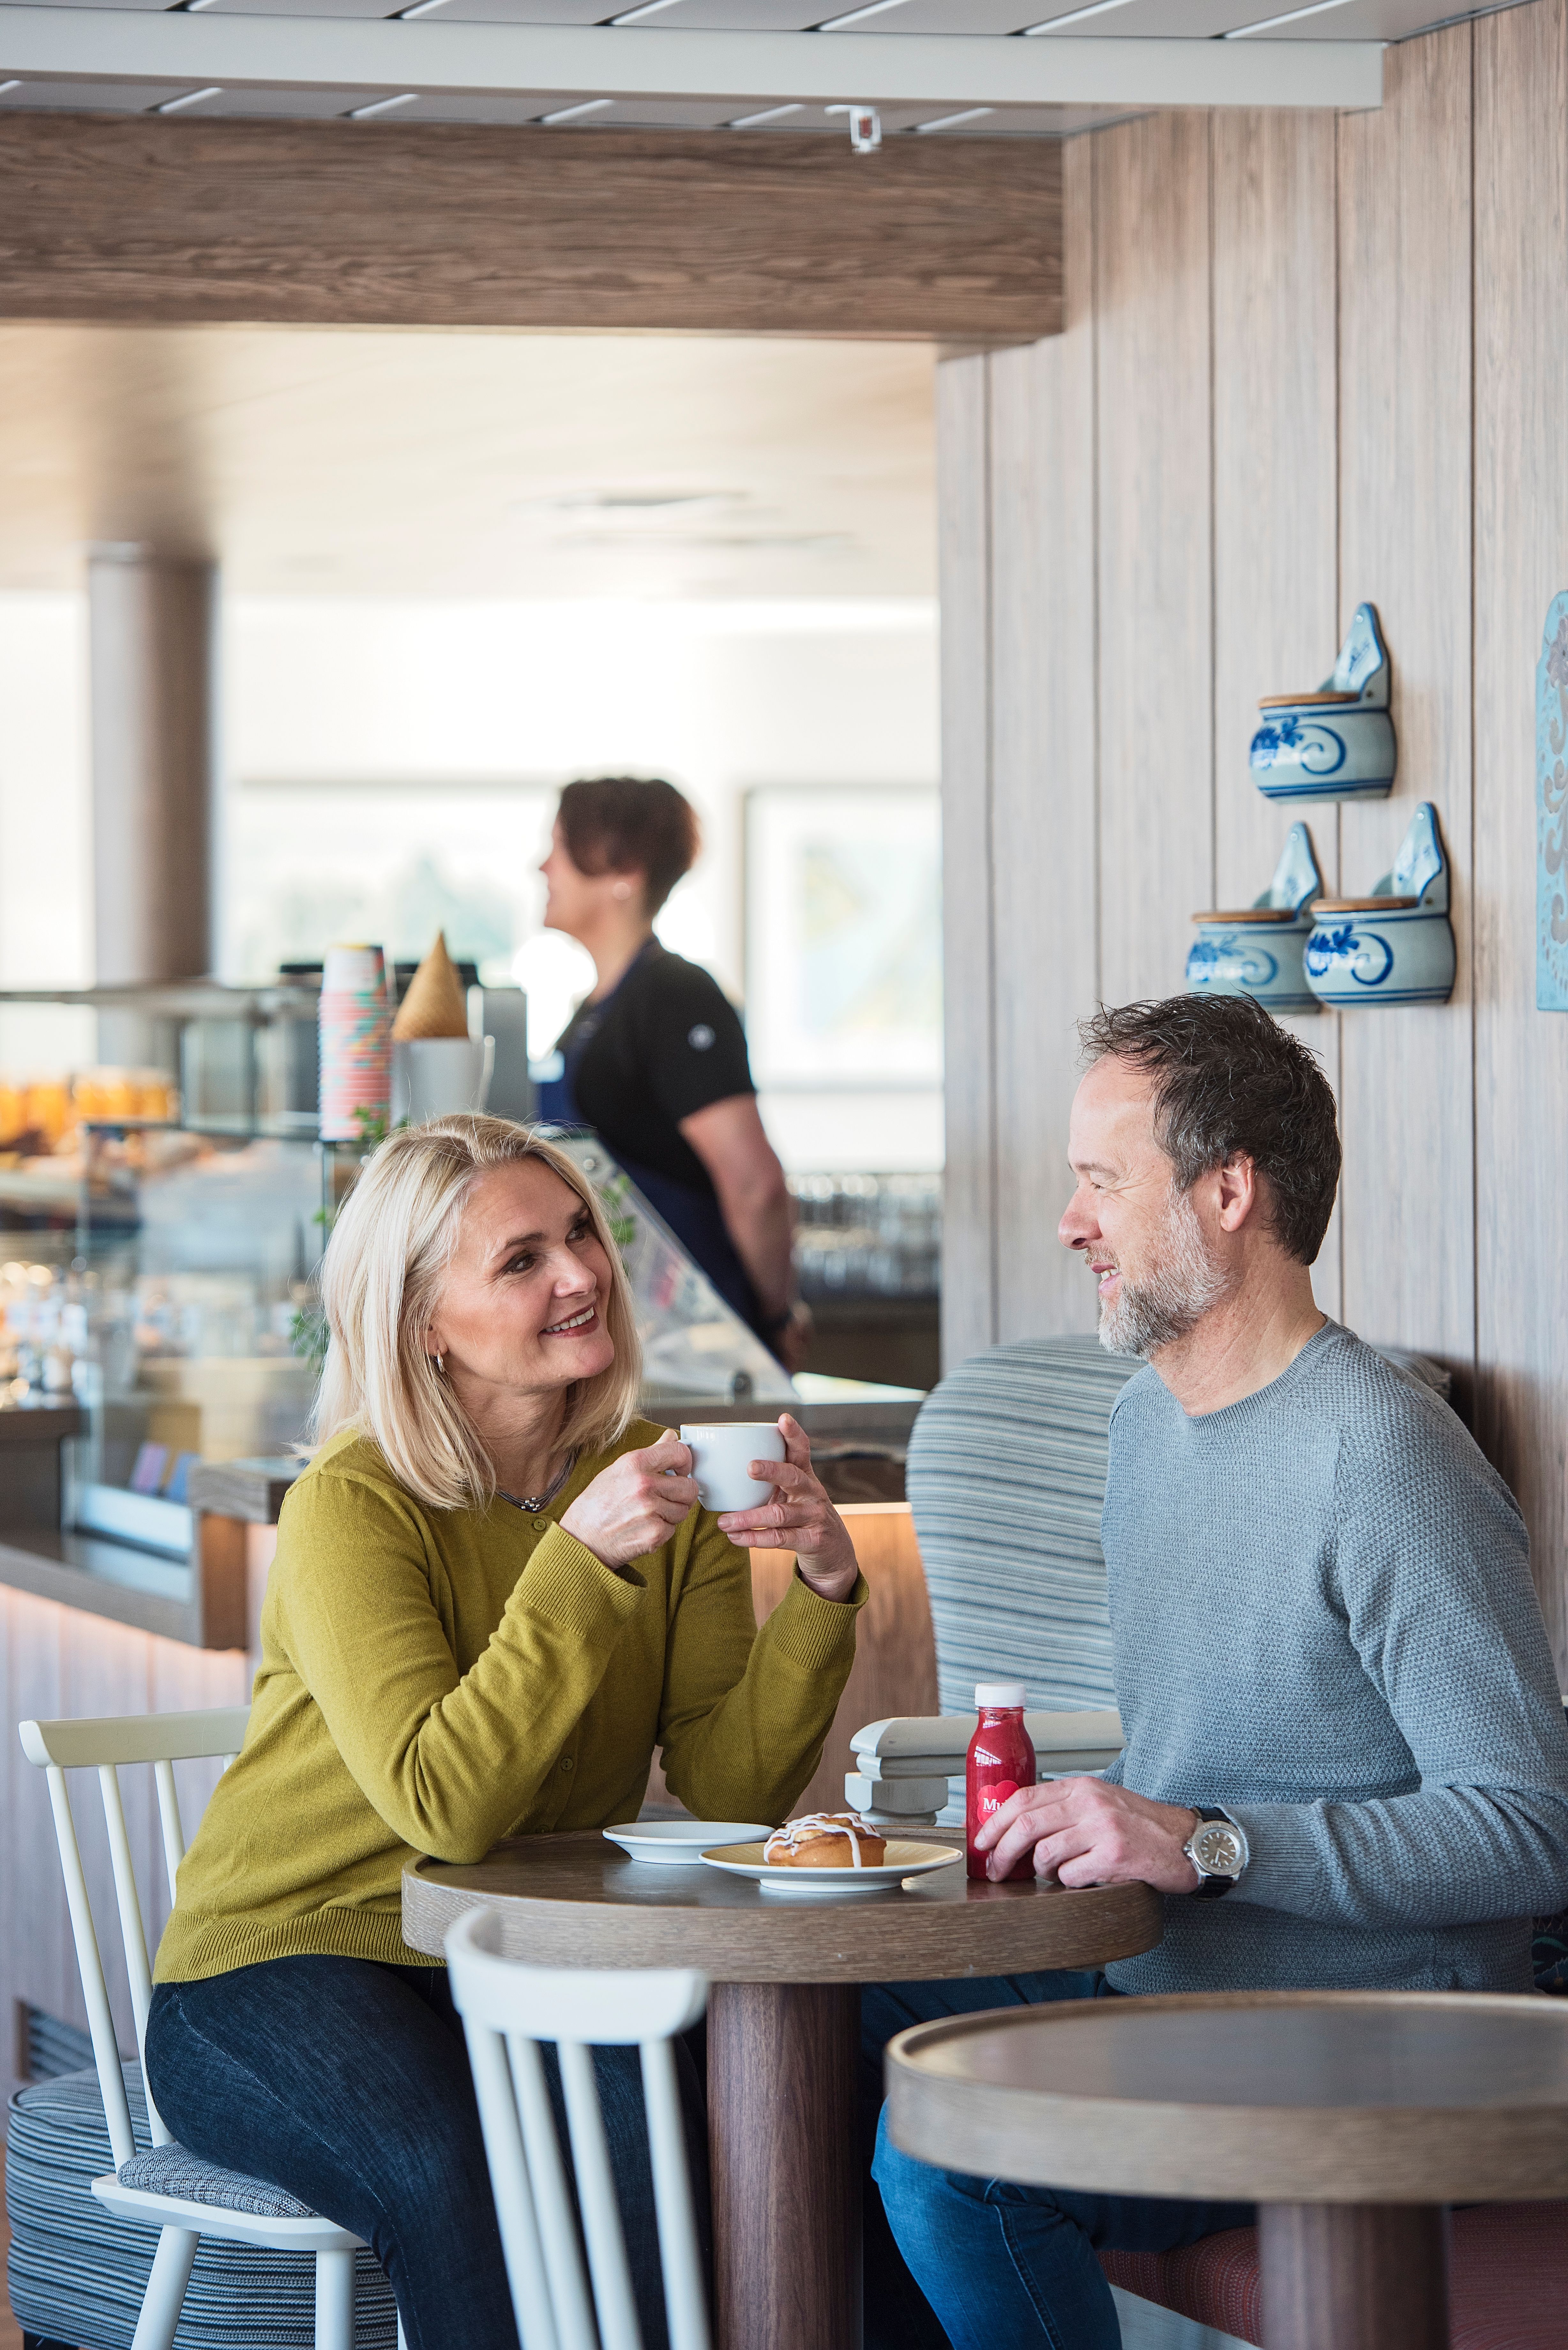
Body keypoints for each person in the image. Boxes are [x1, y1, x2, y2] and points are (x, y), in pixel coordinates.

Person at [865, 992, 1568, 2350]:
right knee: (847, 2035)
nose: (1070, 1222)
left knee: (953, 2159)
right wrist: (1093, 1823)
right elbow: (1223, 1748)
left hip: (1383, 2044)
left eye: (1102, 1182)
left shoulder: (1382, 1456)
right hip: (1176, 1991)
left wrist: (1210, 1843)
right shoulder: (1147, 1423)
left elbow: (1531, 1826)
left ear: (1228, 1192)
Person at [144, 1115, 864, 2350]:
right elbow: (445, 1804)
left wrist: (824, 1586)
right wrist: (579, 1562)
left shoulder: (656, 1480)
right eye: (522, 1260)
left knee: (687, 2142)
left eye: (579, 1234)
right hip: (280, 1960)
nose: (581, 1274)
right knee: (453, 2173)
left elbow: (728, 1785)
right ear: (425, 1321)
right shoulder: (354, 1503)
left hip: (512, 1952)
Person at [532, 773, 811, 1368]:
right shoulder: (593, 1014)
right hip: (634, 1333)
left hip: (698, 1341)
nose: (543, 868)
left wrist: (772, 1319)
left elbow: (755, 1187)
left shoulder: (676, 996)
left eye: (559, 849)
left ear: (624, 873)